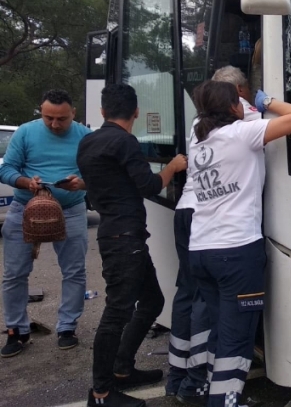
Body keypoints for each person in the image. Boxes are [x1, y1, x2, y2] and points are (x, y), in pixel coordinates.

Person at [188, 82, 291, 407]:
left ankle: (217, 395)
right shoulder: (242, 133)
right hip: (236, 253)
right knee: (237, 338)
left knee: (220, 330)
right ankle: (224, 403)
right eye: (240, 102)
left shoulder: (200, 141)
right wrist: (266, 100)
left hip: (201, 250)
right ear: (232, 108)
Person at [78, 83, 189, 407]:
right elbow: (149, 185)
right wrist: (173, 166)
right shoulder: (125, 141)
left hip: (120, 236)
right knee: (116, 314)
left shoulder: (88, 142)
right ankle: (101, 393)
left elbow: (106, 179)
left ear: (102, 112)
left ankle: (123, 367)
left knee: (152, 302)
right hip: (124, 240)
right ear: (136, 112)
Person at [0, 90, 90, 357]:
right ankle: (17, 330)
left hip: (71, 208)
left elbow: (96, 172)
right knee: (14, 273)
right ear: (41, 110)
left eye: (61, 119)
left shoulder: (85, 136)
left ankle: (67, 328)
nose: (54, 124)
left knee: (74, 272)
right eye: (48, 117)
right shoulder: (26, 132)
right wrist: (27, 182)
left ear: (73, 113)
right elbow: (6, 169)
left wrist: (81, 183)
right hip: (25, 208)